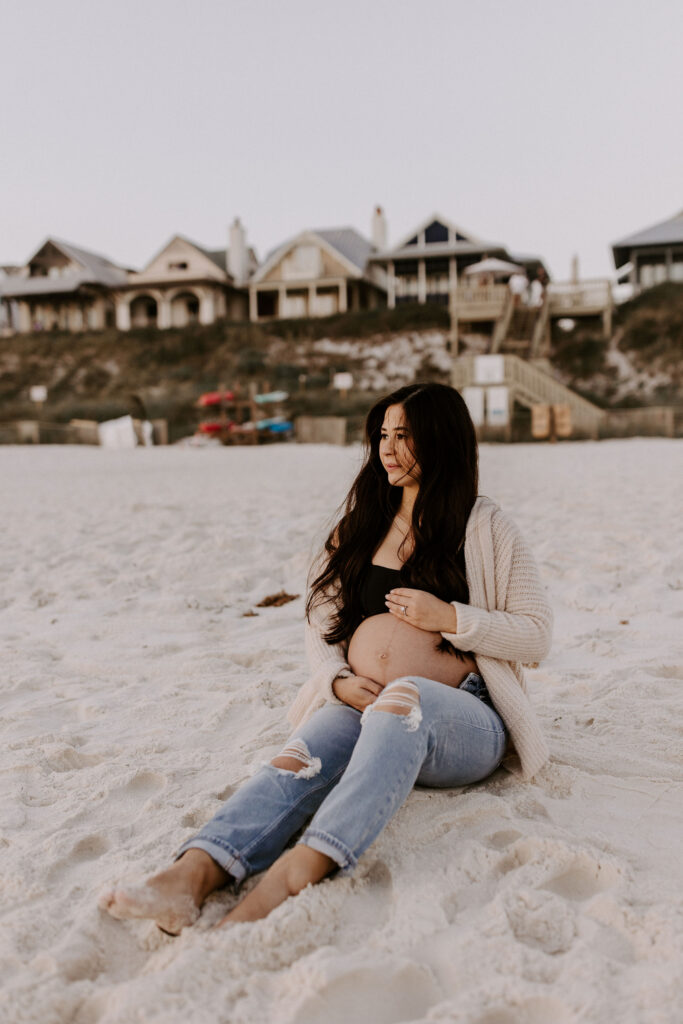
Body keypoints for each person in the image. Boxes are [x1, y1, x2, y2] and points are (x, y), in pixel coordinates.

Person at [100, 383, 553, 935]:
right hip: (363, 703)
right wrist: (336, 679)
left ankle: (299, 869)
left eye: (404, 435)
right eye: (383, 435)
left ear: (442, 440)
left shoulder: (486, 528)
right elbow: (320, 621)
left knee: (404, 702)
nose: (387, 448)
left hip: (461, 719)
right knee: (296, 761)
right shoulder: (362, 525)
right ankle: (192, 873)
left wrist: (451, 618)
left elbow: (536, 635)